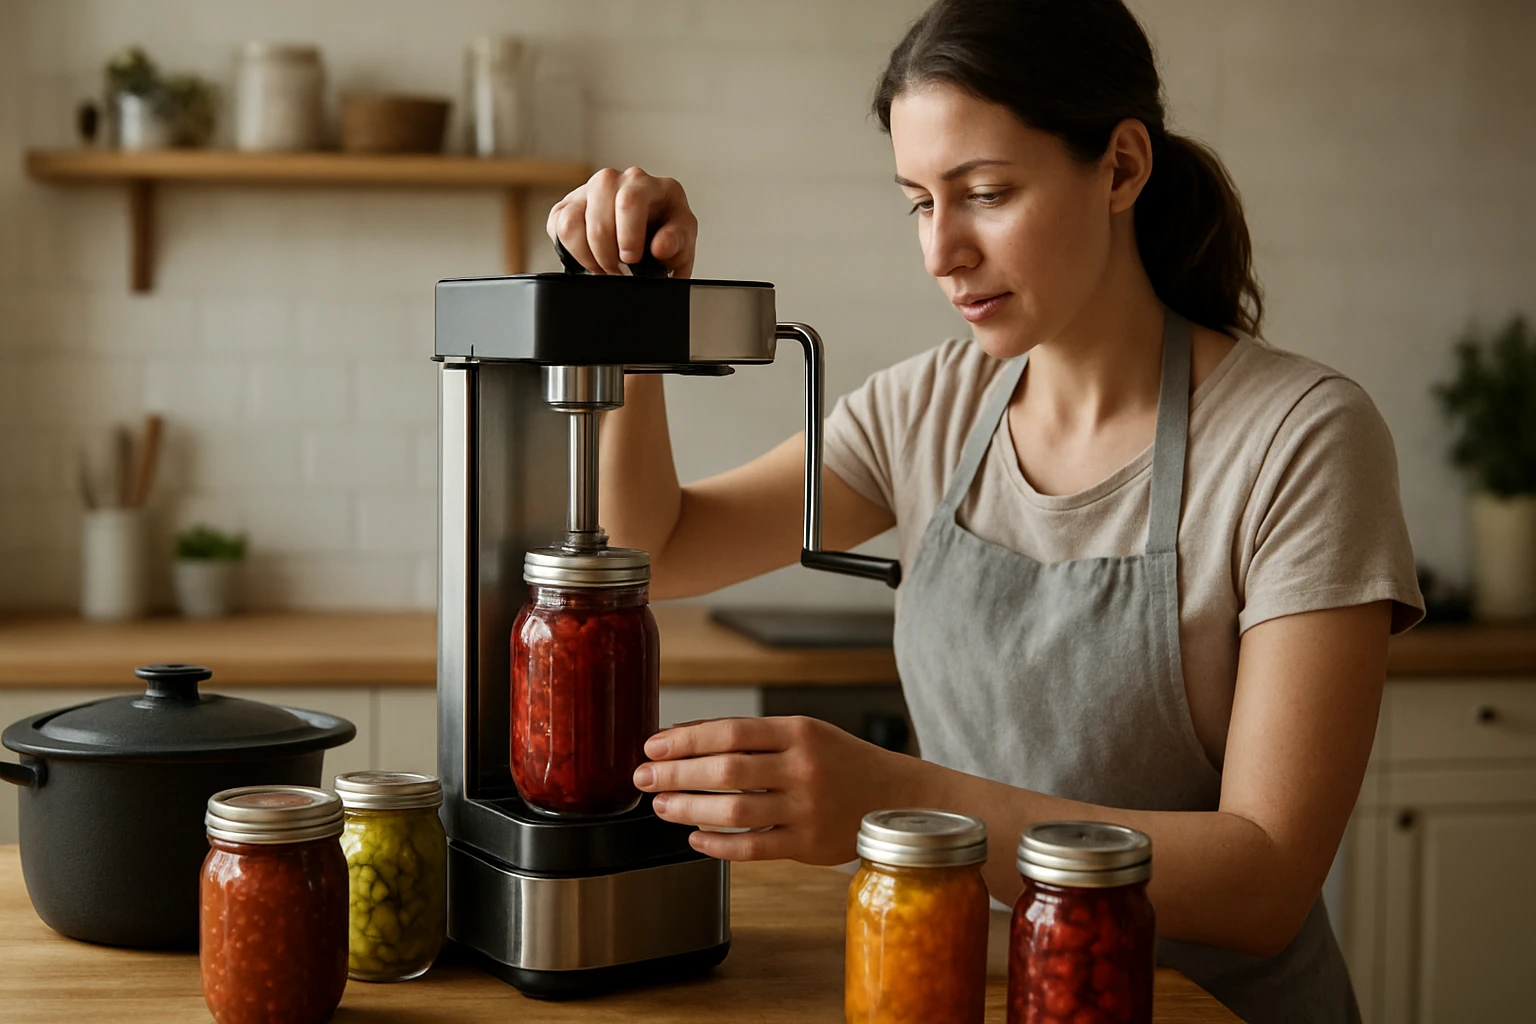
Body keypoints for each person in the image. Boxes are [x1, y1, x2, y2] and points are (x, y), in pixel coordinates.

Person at [547, 1, 1422, 1020]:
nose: (941, 252)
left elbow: (1266, 880)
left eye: (987, 193)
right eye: (919, 202)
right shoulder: (928, 408)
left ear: (1122, 169)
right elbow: (660, 546)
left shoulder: (1301, 439)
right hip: (961, 990)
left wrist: (893, 802)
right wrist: (632, 308)